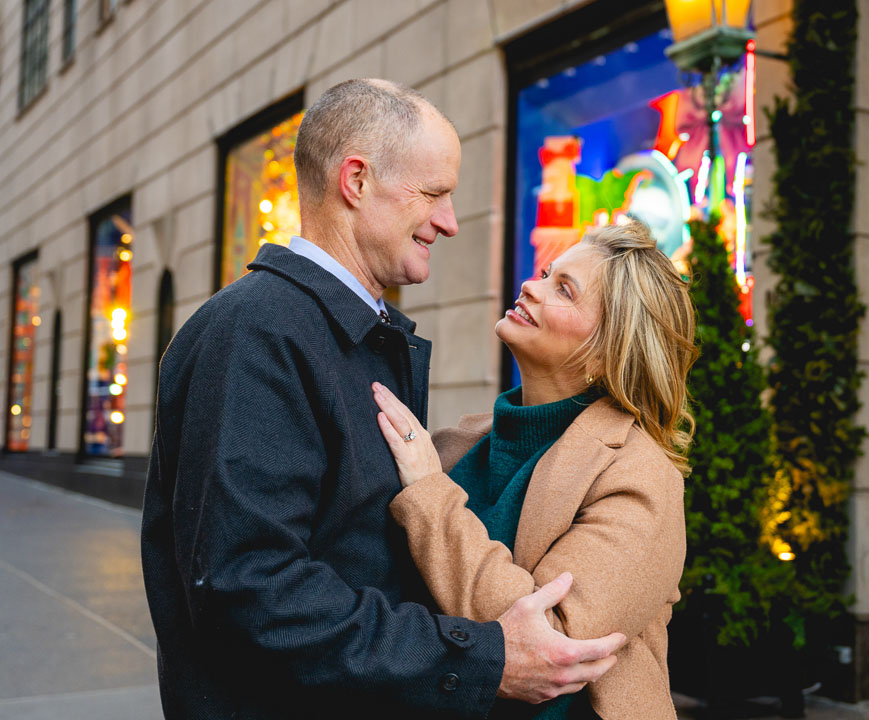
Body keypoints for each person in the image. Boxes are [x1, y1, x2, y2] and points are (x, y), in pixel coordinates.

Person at [140, 79, 624, 719]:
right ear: (356, 181)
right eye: (433, 194)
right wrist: (480, 658)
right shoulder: (258, 332)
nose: (449, 222)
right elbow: (253, 590)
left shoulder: (343, 329)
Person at [372, 220, 698, 719]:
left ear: (607, 350)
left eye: (563, 289)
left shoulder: (639, 474)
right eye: (547, 273)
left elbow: (549, 639)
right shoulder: (461, 447)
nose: (530, 285)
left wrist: (430, 495)